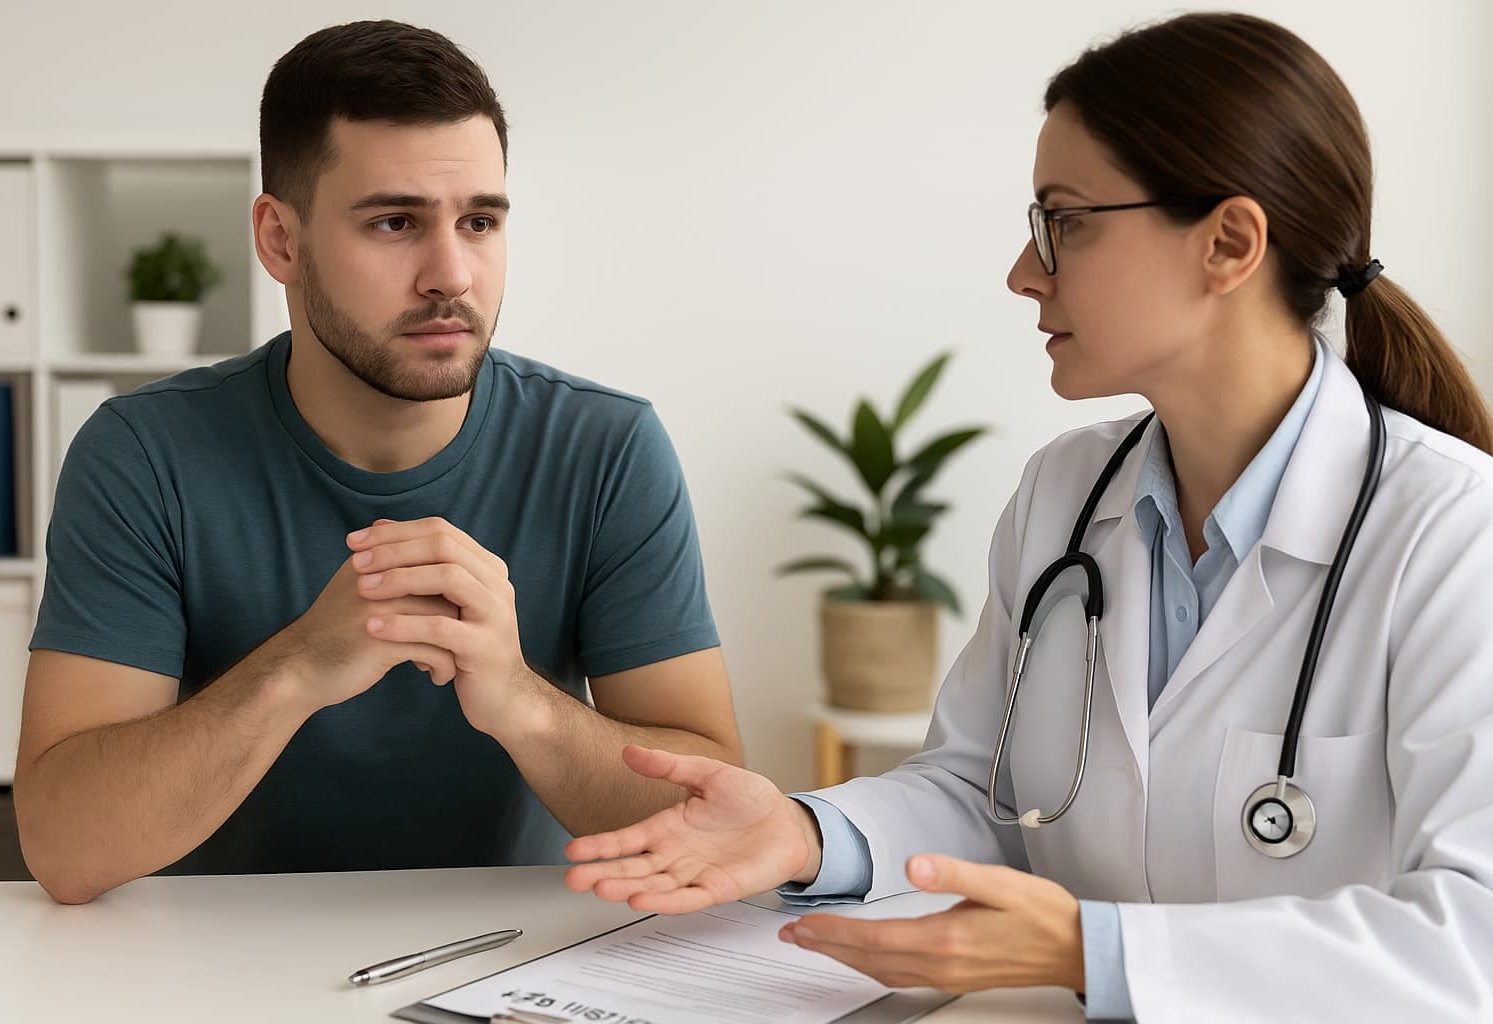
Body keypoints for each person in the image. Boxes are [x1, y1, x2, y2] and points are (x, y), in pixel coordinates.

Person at [564, 12, 1493, 1021]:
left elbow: (1471, 942)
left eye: (1067, 221)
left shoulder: (1452, 534)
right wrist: (805, 832)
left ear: (1229, 243)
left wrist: (1096, 949)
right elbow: (987, 795)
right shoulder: (1065, 495)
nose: (1024, 269)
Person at [12, 19, 742, 906]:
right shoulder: (144, 453)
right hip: (209, 961)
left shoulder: (607, 448)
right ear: (281, 240)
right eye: (395, 222)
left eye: (479, 221)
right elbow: (63, 848)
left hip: (514, 960)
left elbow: (714, 812)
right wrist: (301, 665)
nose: (451, 273)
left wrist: (516, 697)